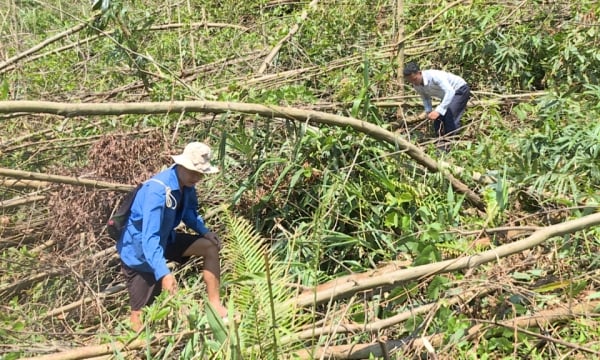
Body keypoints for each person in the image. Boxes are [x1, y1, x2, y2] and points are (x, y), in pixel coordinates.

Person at [116, 141, 227, 331]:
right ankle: (138, 345)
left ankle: (215, 305)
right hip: (140, 252)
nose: (197, 177)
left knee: (209, 247)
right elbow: (149, 239)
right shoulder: (157, 191)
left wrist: (205, 231)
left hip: (166, 240)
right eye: (193, 171)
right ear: (181, 165)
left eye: (201, 173)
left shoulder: (187, 186)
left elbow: (189, 213)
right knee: (140, 311)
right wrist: (164, 274)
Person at [403, 61, 471, 141]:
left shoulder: (434, 76)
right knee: (438, 119)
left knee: (450, 114)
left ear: (419, 73)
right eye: (411, 81)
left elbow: (450, 91)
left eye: (415, 79)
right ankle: (440, 141)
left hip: (459, 90)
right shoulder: (416, 85)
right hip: (446, 95)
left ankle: (451, 142)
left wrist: (438, 111)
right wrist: (429, 111)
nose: (414, 83)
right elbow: (426, 98)